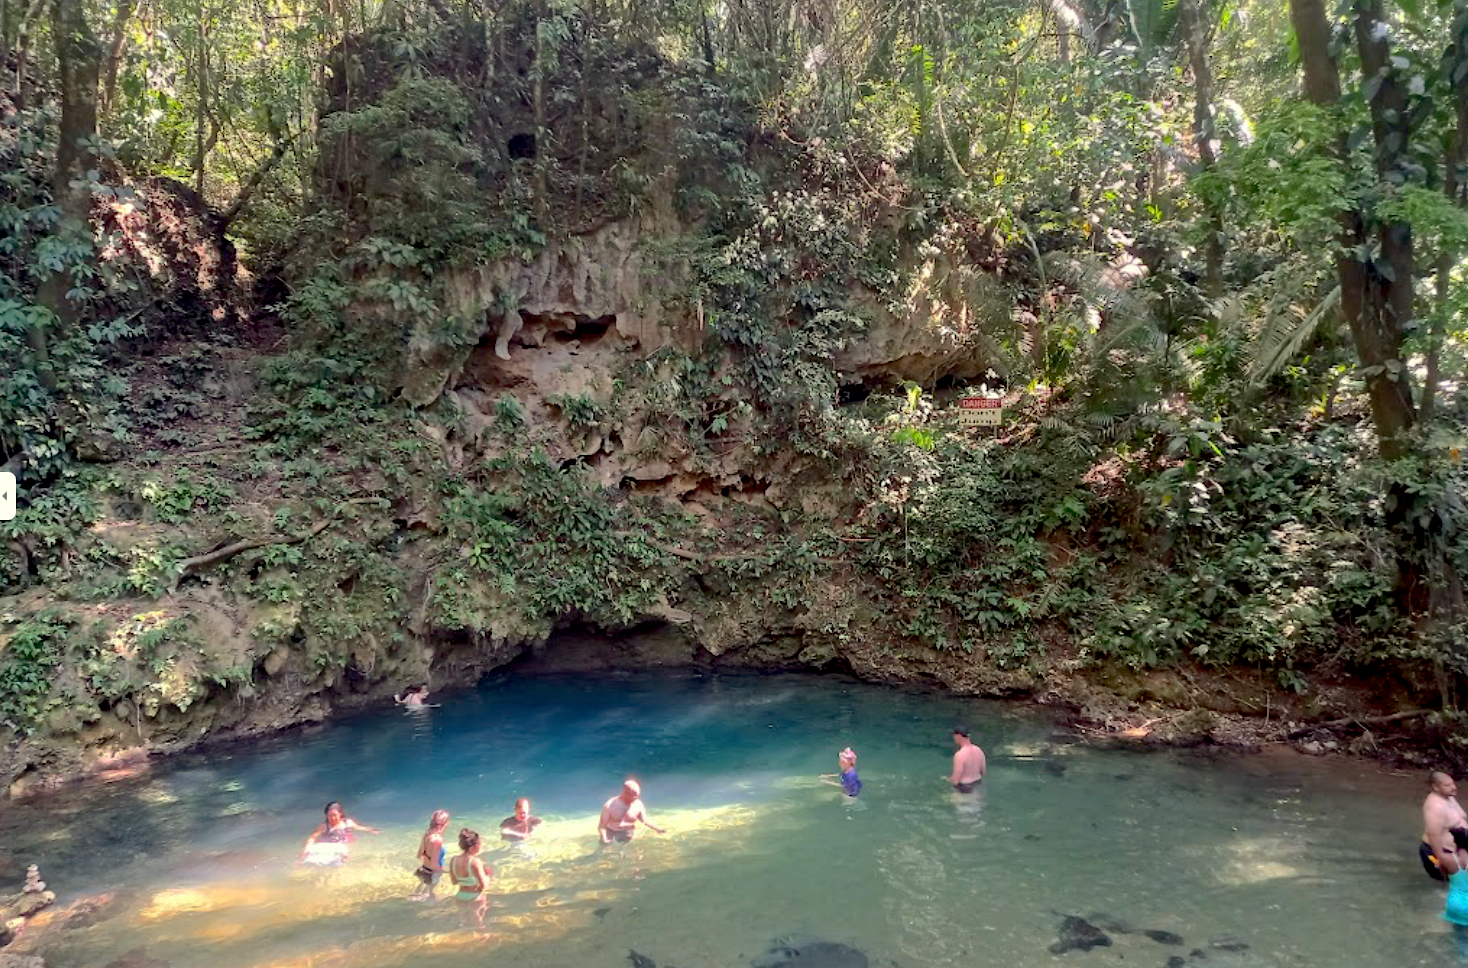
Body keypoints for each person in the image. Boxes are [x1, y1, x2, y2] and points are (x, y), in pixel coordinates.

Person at [301, 801, 380, 865]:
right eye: (329, 816)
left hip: (346, 845)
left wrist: (370, 829)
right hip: (332, 847)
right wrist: (306, 849)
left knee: (347, 858)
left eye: (335, 815)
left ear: (340, 813)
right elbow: (312, 837)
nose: (332, 818)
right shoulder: (324, 826)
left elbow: (358, 827)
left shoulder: (347, 822)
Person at [1421, 772, 1468, 881]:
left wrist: (1463, 850)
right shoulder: (1435, 806)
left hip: (1458, 846)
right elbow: (1433, 833)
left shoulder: (1449, 797)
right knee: (1458, 885)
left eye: (1452, 784)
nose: (1453, 787)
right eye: (1447, 785)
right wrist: (1441, 856)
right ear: (1435, 787)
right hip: (1441, 852)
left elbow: (1460, 820)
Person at [599, 780, 665, 844]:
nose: (636, 798)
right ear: (625, 793)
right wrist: (604, 838)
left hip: (627, 831)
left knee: (628, 851)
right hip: (611, 830)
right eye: (633, 796)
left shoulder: (638, 805)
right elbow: (602, 826)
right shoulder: (610, 805)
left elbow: (645, 821)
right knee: (603, 849)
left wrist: (657, 829)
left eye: (637, 796)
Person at [449, 828, 492, 926]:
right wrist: (487, 875)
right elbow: (484, 885)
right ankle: (481, 936)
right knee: (477, 919)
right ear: (474, 847)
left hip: (460, 895)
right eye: (479, 844)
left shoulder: (453, 860)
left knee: (461, 920)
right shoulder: (475, 862)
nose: (480, 846)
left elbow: (454, 881)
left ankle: (460, 932)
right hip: (475, 896)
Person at [411, 809, 450, 900]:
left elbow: (419, 855)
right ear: (446, 823)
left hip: (424, 870)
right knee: (430, 899)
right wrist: (450, 872)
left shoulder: (427, 834)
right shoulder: (437, 840)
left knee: (418, 897)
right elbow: (434, 866)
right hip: (432, 875)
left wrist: (427, 859)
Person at [947, 727, 986, 793]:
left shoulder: (960, 755)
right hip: (978, 783)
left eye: (954, 736)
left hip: (964, 787)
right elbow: (983, 772)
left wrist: (948, 780)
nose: (953, 738)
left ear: (958, 736)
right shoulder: (979, 750)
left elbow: (956, 780)